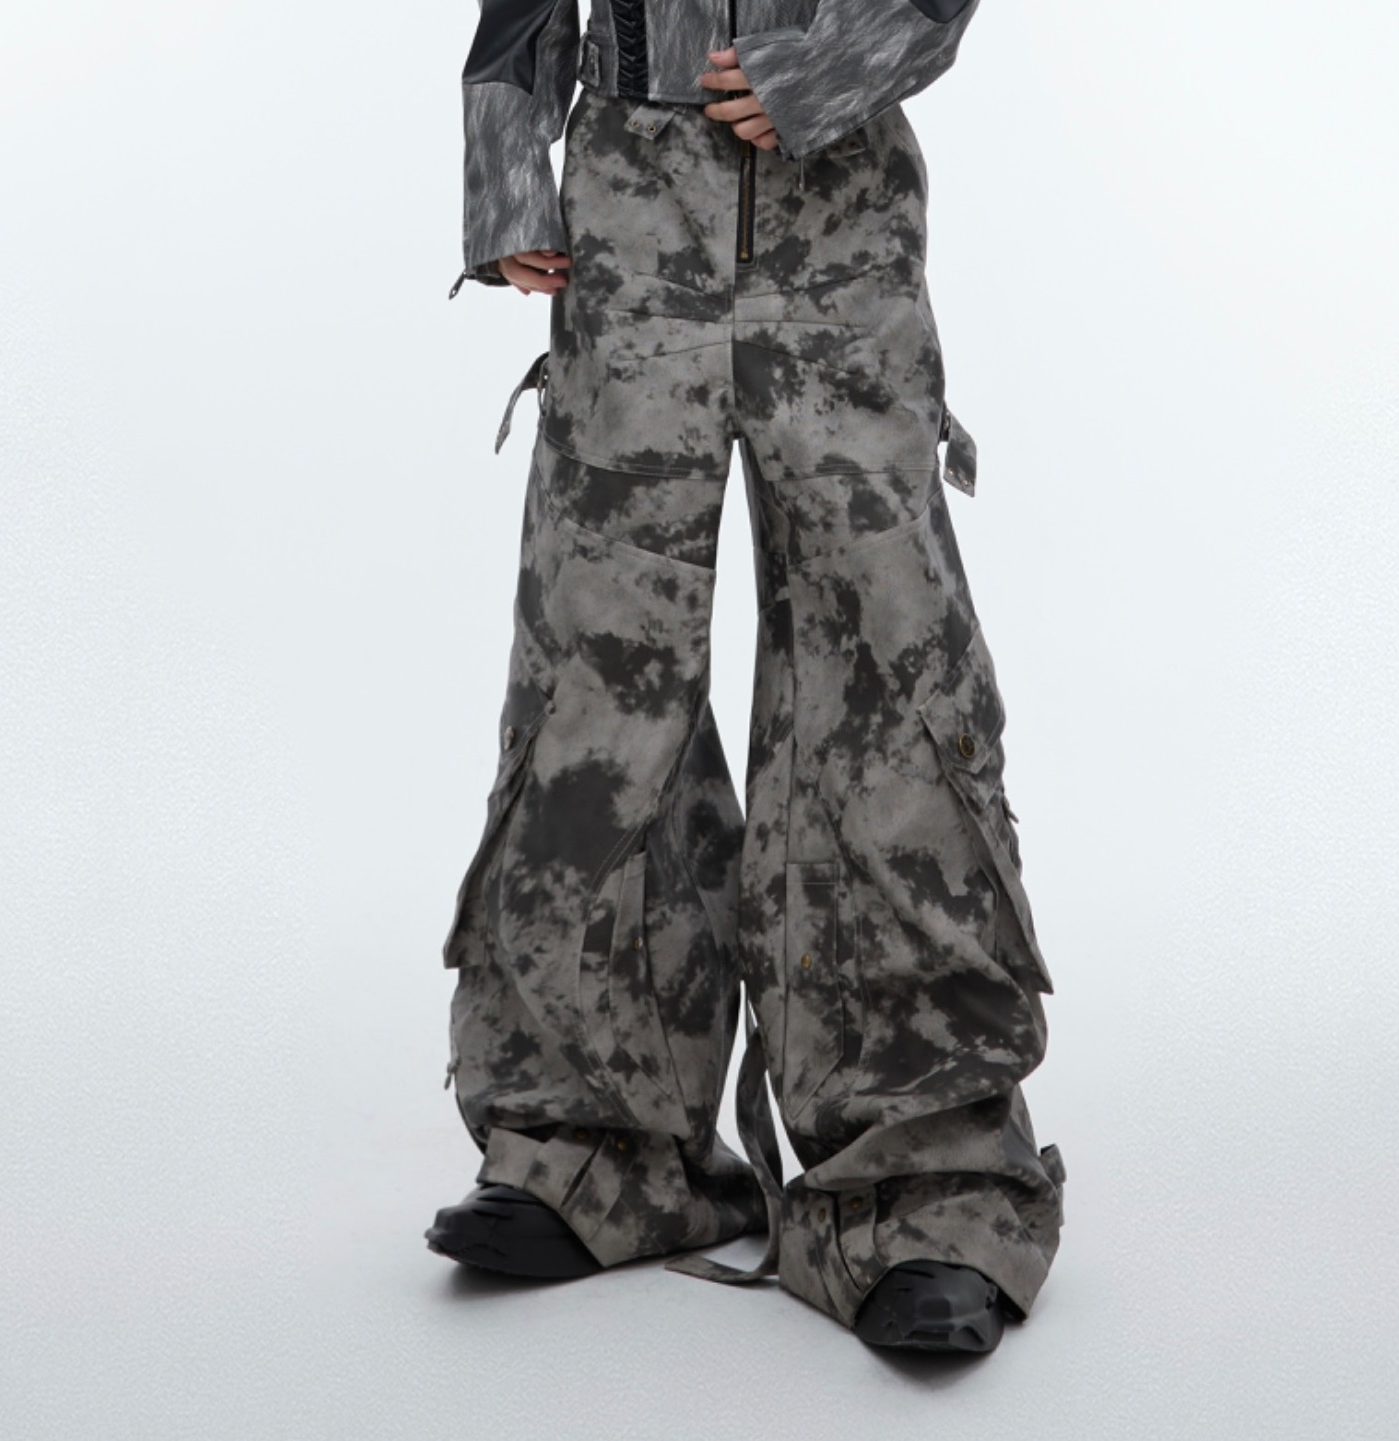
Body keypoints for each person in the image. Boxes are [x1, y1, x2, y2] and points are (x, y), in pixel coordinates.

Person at [428, 0, 1066, 1355]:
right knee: (598, 676)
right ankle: (593, 1147)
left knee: (886, 678)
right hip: (623, 210)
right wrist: (506, 170)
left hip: (834, 207)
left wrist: (825, 67)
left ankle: (924, 1185)